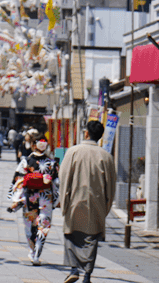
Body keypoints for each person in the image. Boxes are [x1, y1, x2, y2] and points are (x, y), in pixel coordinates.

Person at [59, 120, 116, 283]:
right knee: (91, 238)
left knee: (71, 233)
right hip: (96, 203)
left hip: (75, 200)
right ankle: (87, 275)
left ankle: (73, 269)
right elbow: (111, 183)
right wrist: (107, 204)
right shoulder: (106, 156)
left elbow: (63, 177)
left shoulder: (73, 151)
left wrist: (64, 199)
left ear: (86, 133)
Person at [9, 133, 59, 265]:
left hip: (29, 197)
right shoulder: (52, 163)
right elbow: (57, 183)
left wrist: (15, 199)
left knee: (29, 226)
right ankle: (37, 253)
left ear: (32, 145)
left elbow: (18, 180)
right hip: (45, 197)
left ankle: (32, 252)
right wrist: (56, 200)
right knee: (43, 225)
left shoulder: (26, 161)